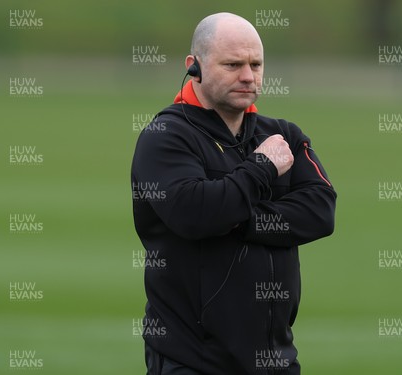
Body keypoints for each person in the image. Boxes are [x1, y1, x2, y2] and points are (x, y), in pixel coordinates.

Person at [131, 12, 336, 375]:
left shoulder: (282, 134)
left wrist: (237, 217)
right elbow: (195, 214)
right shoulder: (166, 136)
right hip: (193, 361)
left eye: (255, 64)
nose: (248, 76)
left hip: (276, 359)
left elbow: (321, 211)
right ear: (194, 67)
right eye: (232, 64)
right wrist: (261, 169)